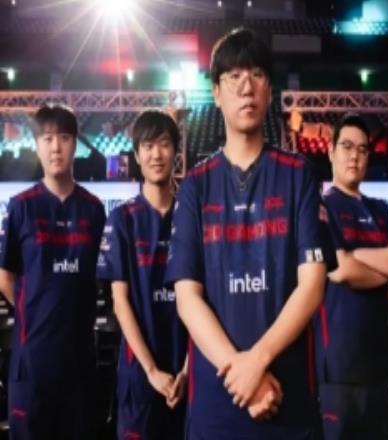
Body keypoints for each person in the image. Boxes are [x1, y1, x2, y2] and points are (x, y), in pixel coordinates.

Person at [165, 27, 329, 439]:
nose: (246, 87)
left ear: (269, 90)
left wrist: (258, 361)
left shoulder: (298, 175)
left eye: (256, 75)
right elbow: (187, 298)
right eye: (234, 76)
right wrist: (241, 373)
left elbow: (312, 285)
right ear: (216, 93)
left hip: (287, 397)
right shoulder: (195, 185)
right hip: (217, 400)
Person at [0, 103, 106, 439]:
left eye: (63, 138)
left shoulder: (94, 209)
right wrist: (35, 306)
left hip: (78, 361)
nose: (55, 147)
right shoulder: (21, 206)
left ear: (75, 144)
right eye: (47, 139)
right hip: (32, 361)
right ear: (36, 146)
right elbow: (5, 275)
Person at [314, 113, 388, 440]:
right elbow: (340, 271)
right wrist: (384, 267)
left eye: (362, 149)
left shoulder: (380, 210)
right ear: (330, 151)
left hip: (377, 365)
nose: (354, 156)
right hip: (337, 366)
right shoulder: (320, 207)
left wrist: (354, 255)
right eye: (346, 147)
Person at [96, 110, 188, 439]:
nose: (156, 155)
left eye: (164, 144)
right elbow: (120, 303)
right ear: (137, 155)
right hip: (139, 375)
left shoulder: (192, 217)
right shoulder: (122, 219)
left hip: (188, 375)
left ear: (176, 152)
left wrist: (188, 369)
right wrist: (151, 371)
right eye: (148, 146)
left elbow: (205, 297)